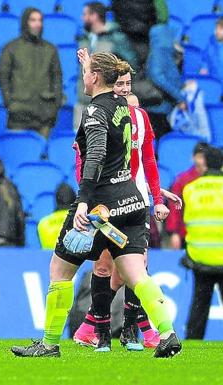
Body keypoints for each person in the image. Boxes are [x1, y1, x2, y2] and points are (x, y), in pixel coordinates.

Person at [11, 52, 181, 358]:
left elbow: (97, 154)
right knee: (136, 273)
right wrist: (92, 62)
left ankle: (49, 344)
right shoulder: (125, 108)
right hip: (132, 201)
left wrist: (84, 202)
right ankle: (167, 334)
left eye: (86, 73)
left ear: (95, 77)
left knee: (59, 271)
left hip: (100, 207)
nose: (82, 77)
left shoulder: (93, 111)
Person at [71, 61, 183, 352]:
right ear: (111, 85)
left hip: (134, 201)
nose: (123, 90)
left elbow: (146, 162)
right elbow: (86, 161)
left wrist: (157, 196)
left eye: (128, 85)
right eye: (118, 84)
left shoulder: (140, 119)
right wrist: (87, 199)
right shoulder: (102, 116)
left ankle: (130, 327)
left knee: (135, 266)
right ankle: (104, 329)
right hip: (106, 203)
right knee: (106, 266)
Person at [0, 7, 62, 137]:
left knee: (42, 156)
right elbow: (2, 77)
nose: (38, 24)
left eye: (40, 20)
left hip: (44, 115)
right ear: (25, 22)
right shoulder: (11, 48)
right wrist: (10, 103)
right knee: (20, 154)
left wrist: (55, 106)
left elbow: (57, 79)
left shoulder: (50, 49)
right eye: (33, 20)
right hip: (18, 115)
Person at [182, 146, 223, 339]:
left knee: (199, 305)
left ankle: (192, 340)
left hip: (200, 257)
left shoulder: (190, 189)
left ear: (204, 163)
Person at [75, 2, 138, 126]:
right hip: (83, 102)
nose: (82, 18)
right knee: (79, 143)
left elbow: (131, 65)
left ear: (94, 16)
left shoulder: (116, 39)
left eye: (85, 14)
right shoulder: (84, 39)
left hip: (106, 104)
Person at [166, 143, 209, 249]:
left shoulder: (217, 180)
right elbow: (174, 207)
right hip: (186, 235)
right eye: (200, 157)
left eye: (205, 158)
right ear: (193, 157)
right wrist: (174, 233)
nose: (202, 161)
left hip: (210, 235)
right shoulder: (182, 180)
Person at [145, 24, 185, 138]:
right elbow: (157, 77)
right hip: (159, 107)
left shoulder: (165, 53)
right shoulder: (159, 53)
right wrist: (179, 97)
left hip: (165, 106)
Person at [38, 183, 76, 250]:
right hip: (74, 259)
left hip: (49, 259)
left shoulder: (43, 223)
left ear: (56, 200)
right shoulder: (80, 220)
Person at [200, 17, 223, 85]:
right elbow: (205, 58)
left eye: (221, 29)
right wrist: (204, 68)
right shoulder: (212, 41)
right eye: (216, 28)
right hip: (210, 80)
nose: (216, 31)